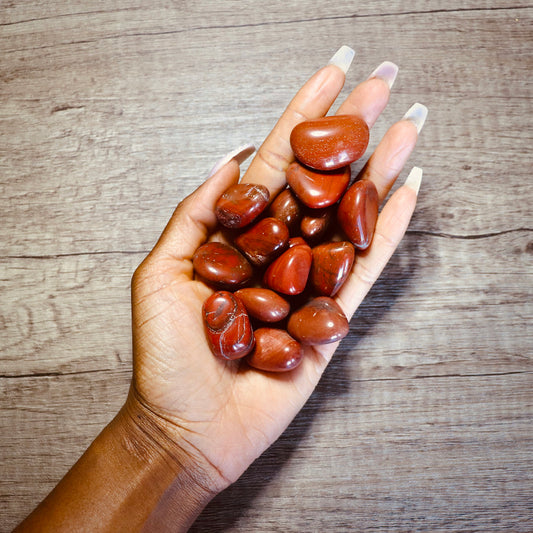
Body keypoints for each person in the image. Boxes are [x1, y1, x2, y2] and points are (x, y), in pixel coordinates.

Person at [15, 45, 427, 532]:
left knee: (309, 242)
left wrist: (165, 444)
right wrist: (166, 438)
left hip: (271, 286)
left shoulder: (290, 249)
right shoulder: (268, 259)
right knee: (298, 245)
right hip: (263, 289)